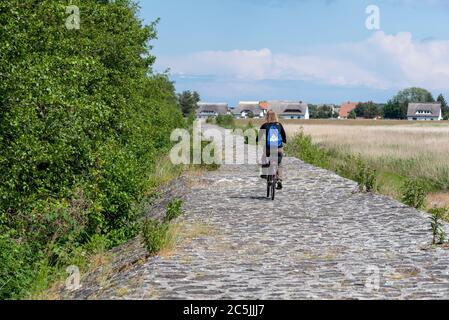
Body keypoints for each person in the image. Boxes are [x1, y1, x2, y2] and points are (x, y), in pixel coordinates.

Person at [257, 110, 287, 190]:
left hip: (269, 148)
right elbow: (284, 136)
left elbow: (259, 137)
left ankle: (264, 173)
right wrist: (284, 142)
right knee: (279, 163)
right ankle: (279, 179)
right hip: (278, 148)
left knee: (264, 157)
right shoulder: (279, 125)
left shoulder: (265, 125)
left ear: (267, 116)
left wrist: (257, 141)